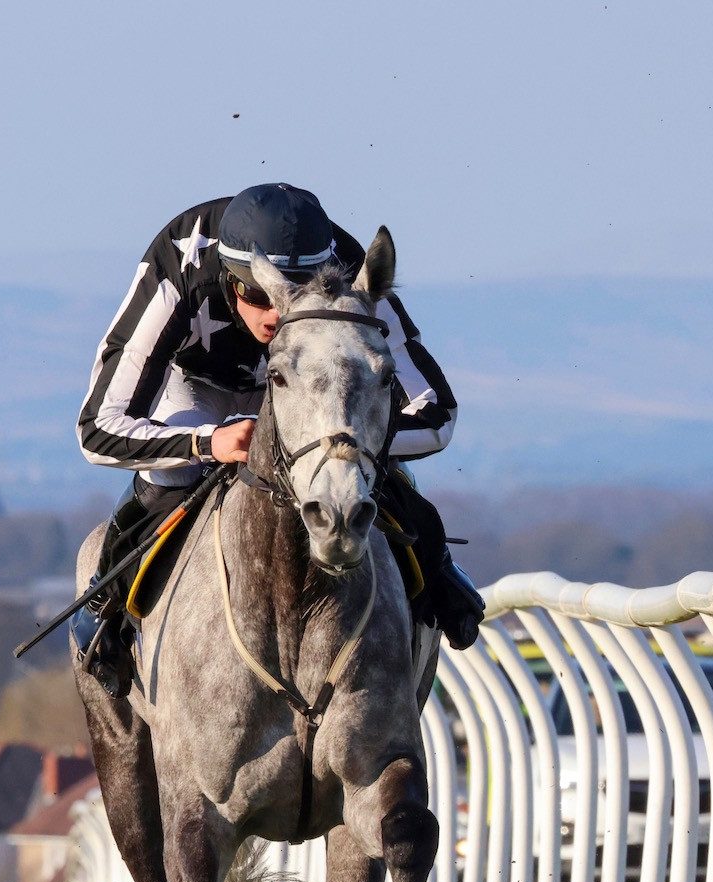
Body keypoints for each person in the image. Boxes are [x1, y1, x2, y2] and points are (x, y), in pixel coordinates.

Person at [72, 182, 484, 697]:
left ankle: (436, 569)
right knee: (173, 472)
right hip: (198, 388)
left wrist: (346, 445)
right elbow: (97, 427)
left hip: (307, 398)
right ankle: (108, 602)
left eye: (296, 291)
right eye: (257, 294)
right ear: (228, 278)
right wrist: (206, 444)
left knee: (356, 476)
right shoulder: (180, 264)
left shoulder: (351, 272)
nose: (275, 313)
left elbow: (435, 412)